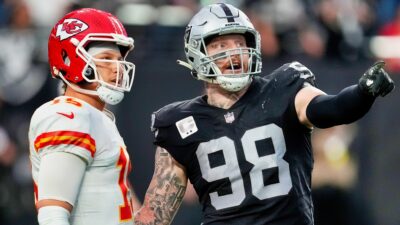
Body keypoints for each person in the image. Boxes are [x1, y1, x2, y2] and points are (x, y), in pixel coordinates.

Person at [134, 3, 394, 225]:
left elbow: (331, 109)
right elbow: (155, 215)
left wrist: (362, 93)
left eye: (240, 43)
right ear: (197, 53)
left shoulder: (283, 88)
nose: (234, 52)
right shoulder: (179, 122)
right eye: (221, 45)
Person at [28, 8, 139, 225]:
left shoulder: (97, 117)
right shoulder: (69, 116)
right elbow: (53, 215)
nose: (118, 69)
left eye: (119, 59)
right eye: (106, 58)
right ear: (69, 60)